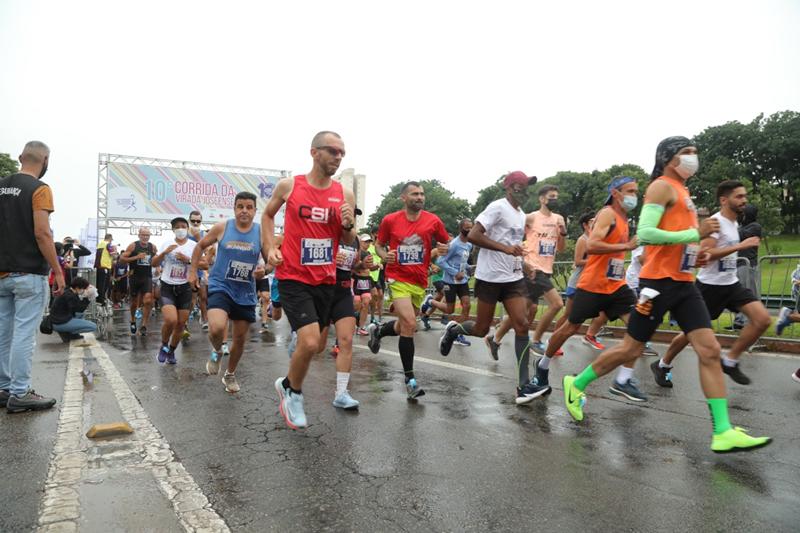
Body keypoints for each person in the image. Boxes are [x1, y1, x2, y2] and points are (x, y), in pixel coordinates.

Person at [562, 136, 771, 453]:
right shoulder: (661, 187)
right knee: (630, 350)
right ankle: (576, 384)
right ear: (669, 158)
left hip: (685, 284)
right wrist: (695, 233)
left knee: (710, 350)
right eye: (687, 153)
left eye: (694, 153)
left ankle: (723, 431)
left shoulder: (684, 192)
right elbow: (645, 233)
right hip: (657, 285)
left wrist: (697, 249)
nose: (693, 158)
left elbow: (683, 239)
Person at [265, 131, 356, 429]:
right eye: (332, 151)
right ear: (314, 152)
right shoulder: (290, 186)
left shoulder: (344, 193)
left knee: (315, 347)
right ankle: (293, 392)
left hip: (325, 278)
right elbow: (267, 217)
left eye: (342, 152)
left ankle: (287, 382)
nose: (338, 156)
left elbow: (349, 237)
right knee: (310, 340)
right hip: (293, 276)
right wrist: (269, 249)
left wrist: (347, 225)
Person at [440, 172, 552, 403]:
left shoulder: (521, 216)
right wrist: (504, 249)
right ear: (510, 188)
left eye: (528, 188)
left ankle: (523, 386)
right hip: (489, 278)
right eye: (521, 187)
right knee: (481, 329)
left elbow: (512, 246)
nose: (526, 192)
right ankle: (454, 331)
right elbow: (473, 235)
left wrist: (524, 263)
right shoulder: (497, 207)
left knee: (522, 324)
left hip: (512, 278)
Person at [532, 177, 642, 400]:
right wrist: (627, 246)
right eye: (630, 191)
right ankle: (542, 365)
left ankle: (623, 379)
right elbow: (592, 245)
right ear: (616, 193)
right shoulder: (607, 213)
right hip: (593, 284)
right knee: (569, 328)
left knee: (640, 328)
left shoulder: (623, 218)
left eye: (636, 192)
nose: (634, 196)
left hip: (616, 285)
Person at [652, 181, 770, 388]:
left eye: (745, 196)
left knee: (762, 320)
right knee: (690, 334)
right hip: (709, 287)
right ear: (724, 200)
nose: (744, 200)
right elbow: (704, 254)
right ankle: (663, 364)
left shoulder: (733, 224)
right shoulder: (715, 223)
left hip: (731, 284)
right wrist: (741, 246)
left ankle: (730, 360)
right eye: (739, 197)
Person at [367, 181, 450, 400]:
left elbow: (445, 242)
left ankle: (379, 331)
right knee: (411, 324)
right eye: (415, 194)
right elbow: (379, 245)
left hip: (419, 279)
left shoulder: (433, 220)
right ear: (404, 197)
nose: (420, 197)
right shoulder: (390, 220)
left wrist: (443, 250)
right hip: (397, 277)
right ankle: (410, 380)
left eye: (422, 194)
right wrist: (385, 256)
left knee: (405, 324)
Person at [0, 140, 61, 413]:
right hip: (29, 273)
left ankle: (3, 388)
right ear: (45, 161)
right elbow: (42, 233)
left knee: (3, 333)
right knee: (24, 333)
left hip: (1, 273)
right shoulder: (40, 189)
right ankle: (21, 392)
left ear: (20, 157)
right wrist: (58, 269)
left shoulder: (1, 185)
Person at [190, 192, 262, 393]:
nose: (244, 211)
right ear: (234, 209)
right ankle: (217, 350)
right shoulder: (223, 227)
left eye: (249, 207)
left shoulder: (260, 233)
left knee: (239, 340)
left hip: (245, 292)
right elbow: (199, 246)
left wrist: (266, 270)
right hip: (221, 285)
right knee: (216, 328)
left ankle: (229, 374)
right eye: (240, 206)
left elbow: (269, 263)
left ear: (255, 211)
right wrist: (192, 273)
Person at [490, 185, 567, 356]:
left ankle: (494, 339)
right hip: (533, 268)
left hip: (546, 269)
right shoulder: (531, 218)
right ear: (541, 199)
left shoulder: (559, 219)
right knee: (557, 304)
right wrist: (517, 253)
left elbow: (561, 248)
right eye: (551, 197)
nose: (554, 200)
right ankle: (537, 340)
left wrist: (562, 232)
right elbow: (514, 233)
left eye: (556, 197)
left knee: (522, 310)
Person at [319, 230, 368, 409]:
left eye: (353, 213)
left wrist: (361, 263)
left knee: (346, 340)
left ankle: (341, 393)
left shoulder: (354, 238)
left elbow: (353, 266)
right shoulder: (324, 231)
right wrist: (330, 258)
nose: (350, 217)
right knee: (317, 346)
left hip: (344, 292)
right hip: (322, 292)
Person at [552, 211, 609, 350]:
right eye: (591, 221)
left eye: (596, 221)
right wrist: (596, 260)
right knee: (569, 316)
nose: (595, 223)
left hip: (594, 283)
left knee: (604, 311)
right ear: (585, 225)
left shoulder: (598, 240)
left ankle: (590, 336)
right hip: (578, 283)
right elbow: (577, 261)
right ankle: (554, 341)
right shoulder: (583, 240)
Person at [153, 217, 200, 365]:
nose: (181, 229)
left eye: (183, 226)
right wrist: (163, 253)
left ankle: (172, 351)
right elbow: (153, 263)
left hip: (185, 287)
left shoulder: (193, 245)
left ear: (187, 228)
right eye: (178, 227)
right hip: (167, 286)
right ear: (173, 229)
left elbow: (205, 264)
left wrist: (189, 260)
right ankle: (164, 345)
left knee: (180, 324)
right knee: (171, 320)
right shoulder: (167, 244)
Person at [423, 219, 474, 344]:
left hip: (462, 282)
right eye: (467, 228)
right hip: (450, 281)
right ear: (461, 228)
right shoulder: (454, 244)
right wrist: (455, 273)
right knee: (449, 310)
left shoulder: (469, 244)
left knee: (467, 305)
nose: (469, 230)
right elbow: (441, 261)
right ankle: (431, 301)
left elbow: (461, 261)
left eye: (471, 228)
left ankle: (458, 334)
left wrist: (469, 267)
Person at [121, 227, 157, 335]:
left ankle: (144, 325)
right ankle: (132, 320)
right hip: (134, 276)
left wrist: (157, 264)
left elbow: (156, 258)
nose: (145, 237)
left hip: (147, 277)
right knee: (134, 303)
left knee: (147, 301)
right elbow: (122, 259)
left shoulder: (152, 247)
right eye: (143, 235)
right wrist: (136, 257)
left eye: (147, 235)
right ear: (139, 235)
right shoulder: (133, 245)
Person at [624, 245, 659, 357]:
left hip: (646, 281)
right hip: (635, 282)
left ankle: (638, 343)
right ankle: (638, 344)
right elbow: (642, 260)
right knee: (639, 313)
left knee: (643, 314)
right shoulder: (642, 239)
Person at [732, 204, 762, 329]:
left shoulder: (755, 227)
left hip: (748, 264)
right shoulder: (740, 226)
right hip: (737, 263)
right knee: (738, 294)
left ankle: (751, 321)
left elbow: (740, 236)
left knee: (749, 292)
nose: (740, 216)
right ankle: (739, 321)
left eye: (743, 214)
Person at [51, 277, 98, 342]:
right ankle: (68, 333)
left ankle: (69, 333)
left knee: (80, 315)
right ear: (77, 288)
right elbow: (79, 310)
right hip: (59, 322)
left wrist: (87, 297)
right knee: (93, 326)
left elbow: (78, 310)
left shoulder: (68, 292)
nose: (84, 290)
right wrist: (88, 297)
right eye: (83, 288)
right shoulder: (70, 296)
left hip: (57, 320)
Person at [188, 210, 210, 330]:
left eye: (198, 221)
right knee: (191, 299)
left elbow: (207, 253)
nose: (196, 223)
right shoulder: (183, 233)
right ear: (189, 220)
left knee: (203, 297)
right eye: (193, 221)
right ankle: (184, 323)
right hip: (187, 270)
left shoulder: (203, 235)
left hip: (200, 270)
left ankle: (204, 319)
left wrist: (198, 239)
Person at [353, 234, 375, 336]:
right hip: (356, 280)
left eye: (369, 242)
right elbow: (355, 267)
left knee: (366, 303)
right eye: (365, 242)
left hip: (366, 281)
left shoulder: (369, 253)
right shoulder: (357, 252)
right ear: (360, 242)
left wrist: (378, 265)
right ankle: (352, 323)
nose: (367, 244)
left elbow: (370, 268)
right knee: (356, 303)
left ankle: (361, 327)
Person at [94, 233, 114, 306]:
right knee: (104, 285)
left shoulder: (100, 244)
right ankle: (101, 300)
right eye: (111, 239)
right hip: (105, 266)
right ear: (109, 238)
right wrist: (115, 250)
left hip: (99, 266)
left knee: (99, 284)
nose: (111, 241)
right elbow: (112, 254)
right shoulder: (108, 244)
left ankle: (99, 299)